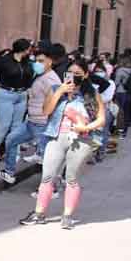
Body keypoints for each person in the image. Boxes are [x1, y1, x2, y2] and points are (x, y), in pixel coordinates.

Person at [20, 57, 105, 230]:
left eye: (78, 73)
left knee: (71, 178)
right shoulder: (55, 89)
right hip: (56, 136)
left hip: (81, 139)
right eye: (70, 72)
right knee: (47, 176)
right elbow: (46, 111)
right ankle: (39, 213)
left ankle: (67, 216)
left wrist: (85, 127)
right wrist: (60, 91)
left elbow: (101, 119)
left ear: (85, 75)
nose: (73, 76)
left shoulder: (91, 93)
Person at [0, 47, 59, 184]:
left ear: (50, 62)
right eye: (36, 60)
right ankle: (9, 173)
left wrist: (49, 122)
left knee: (46, 157)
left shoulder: (52, 80)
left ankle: (50, 187)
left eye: (41, 61)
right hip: (31, 121)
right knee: (11, 139)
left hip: (42, 123)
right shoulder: (40, 75)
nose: (37, 64)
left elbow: (56, 102)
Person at [0, 39, 35, 163]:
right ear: (23, 49)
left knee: (17, 126)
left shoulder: (27, 62)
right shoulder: (4, 60)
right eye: (29, 48)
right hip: (5, 94)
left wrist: (29, 92)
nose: (30, 51)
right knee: (3, 125)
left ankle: (13, 153)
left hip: (22, 95)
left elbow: (29, 79)